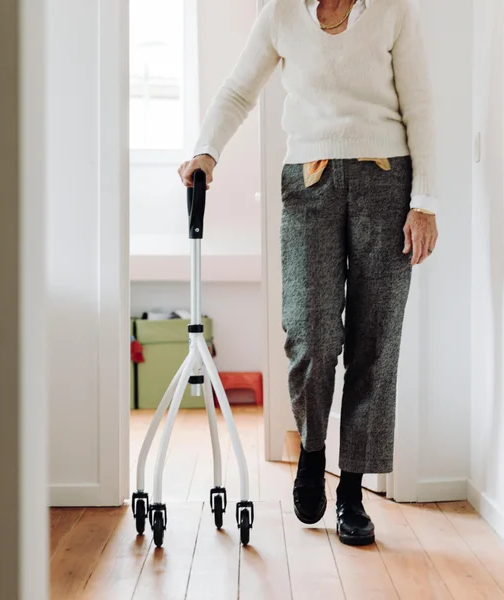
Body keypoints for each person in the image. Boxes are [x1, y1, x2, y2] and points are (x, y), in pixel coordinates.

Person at [179, 0, 438, 546]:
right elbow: (236, 90)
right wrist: (206, 150)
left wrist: (425, 202)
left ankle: (352, 489)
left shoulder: (392, 11)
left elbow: (421, 107)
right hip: (308, 186)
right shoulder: (280, 13)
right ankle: (312, 450)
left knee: (375, 341)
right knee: (310, 332)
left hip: (386, 184)